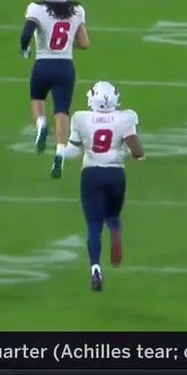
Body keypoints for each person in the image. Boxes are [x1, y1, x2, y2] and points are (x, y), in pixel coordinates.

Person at [51, 81, 145, 292]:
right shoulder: (126, 117)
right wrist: (137, 155)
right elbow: (136, 148)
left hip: (91, 174)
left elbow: (74, 151)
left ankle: (95, 268)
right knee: (112, 215)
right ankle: (116, 229)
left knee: (93, 225)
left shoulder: (81, 118)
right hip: (115, 173)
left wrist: (59, 153)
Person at [21, 0, 89, 156]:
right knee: (62, 109)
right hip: (65, 65)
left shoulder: (36, 9)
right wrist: (69, 40)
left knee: (38, 99)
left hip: (43, 64)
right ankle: (60, 150)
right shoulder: (77, 10)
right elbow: (84, 43)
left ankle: (41, 124)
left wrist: (25, 48)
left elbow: (26, 33)